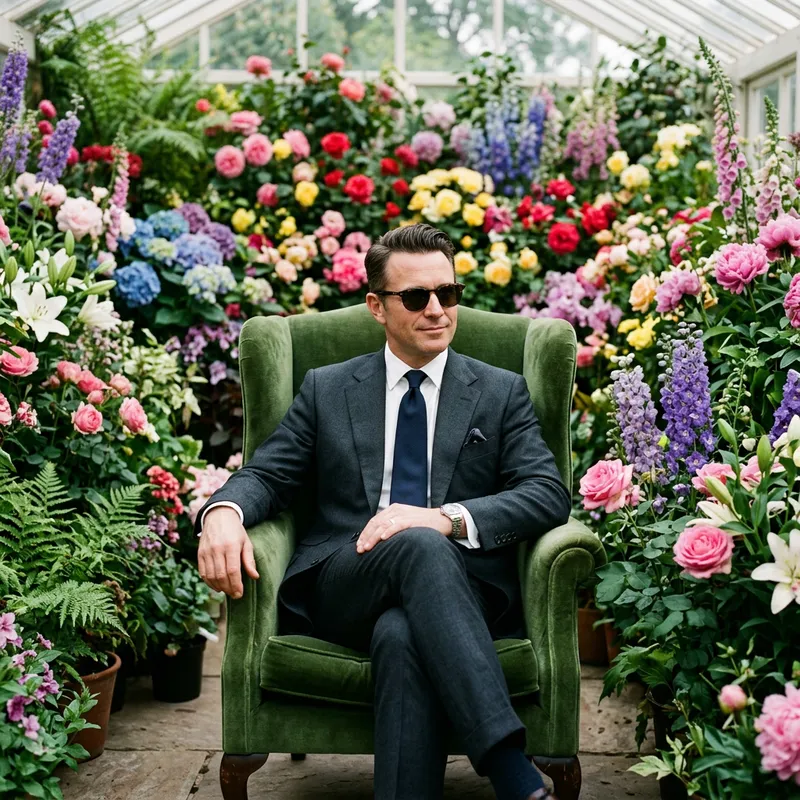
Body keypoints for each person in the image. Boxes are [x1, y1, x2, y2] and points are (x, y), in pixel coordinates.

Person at [195, 223, 571, 800]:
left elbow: (547, 491)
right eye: (416, 298)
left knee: (401, 633)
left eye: (447, 294)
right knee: (415, 547)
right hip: (350, 579)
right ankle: (506, 764)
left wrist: (444, 517)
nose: (437, 310)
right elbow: (268, 473)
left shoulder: (499, 391)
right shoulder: (329, 388)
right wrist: (222, 511)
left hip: (462, 594)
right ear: (377, 306)